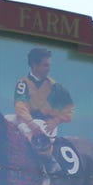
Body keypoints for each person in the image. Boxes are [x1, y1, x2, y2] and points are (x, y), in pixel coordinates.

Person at [12, 47, 76, 178]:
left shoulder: (56, 87)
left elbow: (69, 108)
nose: (48, 68)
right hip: (26, 121)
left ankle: (49, 162)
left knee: (40, 137)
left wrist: (56, 120)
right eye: (45, 65)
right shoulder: (23, 83)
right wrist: (31, 124)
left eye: (49, 65)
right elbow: (20, 106)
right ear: (34, 65)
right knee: (6, 121)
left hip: (46, 125)